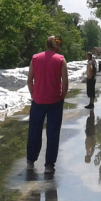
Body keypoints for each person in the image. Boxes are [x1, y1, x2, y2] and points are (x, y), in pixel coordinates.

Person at [26, 35, 69, 175]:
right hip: (55, 101)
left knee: (34, 131)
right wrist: (62, 97)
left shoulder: (35, 58)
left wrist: (34, 94)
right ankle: (49, 165)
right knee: (53, 133)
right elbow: (65, 81)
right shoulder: (61, 60)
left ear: (46, 45)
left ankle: (31, 160)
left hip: (38, 101)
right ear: (56, 46)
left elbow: (29, 80)